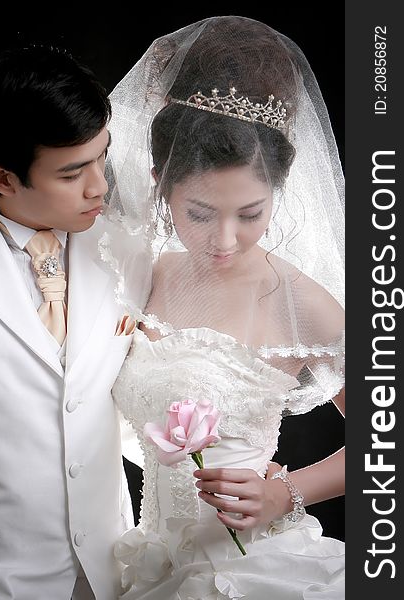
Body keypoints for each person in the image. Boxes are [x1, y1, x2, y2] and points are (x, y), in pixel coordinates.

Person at [100, 16, 345, 599]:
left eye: (252, 213)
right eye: (201, 214)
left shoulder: (303, 303)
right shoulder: (146, 276)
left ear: (278, 191)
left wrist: (286, 493)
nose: (226, 240)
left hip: (260, 570)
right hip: (153, 562)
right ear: (160, 183)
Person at [0, 45, 150, 599]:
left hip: (116, 568)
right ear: (3, 178)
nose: (99, 187)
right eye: (72, 172)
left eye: (101, 158)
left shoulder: (129, 250)